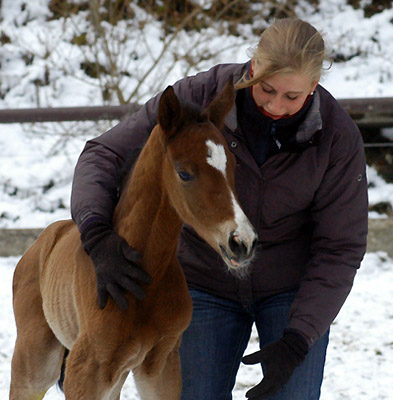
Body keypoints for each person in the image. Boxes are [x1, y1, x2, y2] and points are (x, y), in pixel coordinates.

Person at [71, 18, 368, 400]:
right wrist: (97, 235)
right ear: (253, 66)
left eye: (293, 97)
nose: (276, 105)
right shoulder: (198, 98)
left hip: (287, 286)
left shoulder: (336, 137)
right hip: (203, 280)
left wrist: (300, 337)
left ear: (314, 86)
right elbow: (104, 153)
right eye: (266, 89)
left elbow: (341, 246)